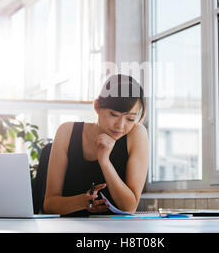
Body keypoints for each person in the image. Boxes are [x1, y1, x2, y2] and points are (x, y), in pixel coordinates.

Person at [43, 74, 149, 216]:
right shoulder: (66, 132)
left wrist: (105, 162)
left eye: (130, 118)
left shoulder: (136, 134)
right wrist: (82, 202)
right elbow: (49, 204)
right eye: (114, 115)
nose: (121, 126)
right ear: (97, 106)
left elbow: (129, 207)